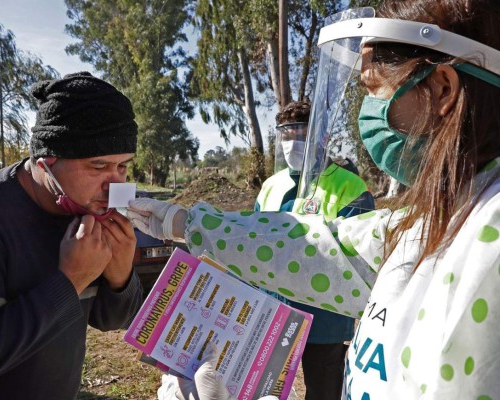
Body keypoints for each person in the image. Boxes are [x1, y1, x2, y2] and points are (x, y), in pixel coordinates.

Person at [128, 0, 500, 398]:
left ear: (442, 87)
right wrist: (184, 223)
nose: (367, 116)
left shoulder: (488, 236)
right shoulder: (440, 217)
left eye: (374, 91)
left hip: (322, 330)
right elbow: (317, 246)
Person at [0, 72, 144, 399]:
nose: (114, 184)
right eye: (98, 165)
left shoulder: (85, 211)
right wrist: (70, 281)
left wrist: (120, 276)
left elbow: (111, 320)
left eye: (122, 167)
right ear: (47, 158)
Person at [256, 100, 374, 400]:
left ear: (322, 137)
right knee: (263, 390)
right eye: (286, 134)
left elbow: (357, 256)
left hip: (324, 319)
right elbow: (252, 243)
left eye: (301, 133)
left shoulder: (350, 187)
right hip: (273, 313)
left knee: (323, 392)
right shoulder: (271, 185)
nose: (292, 142)